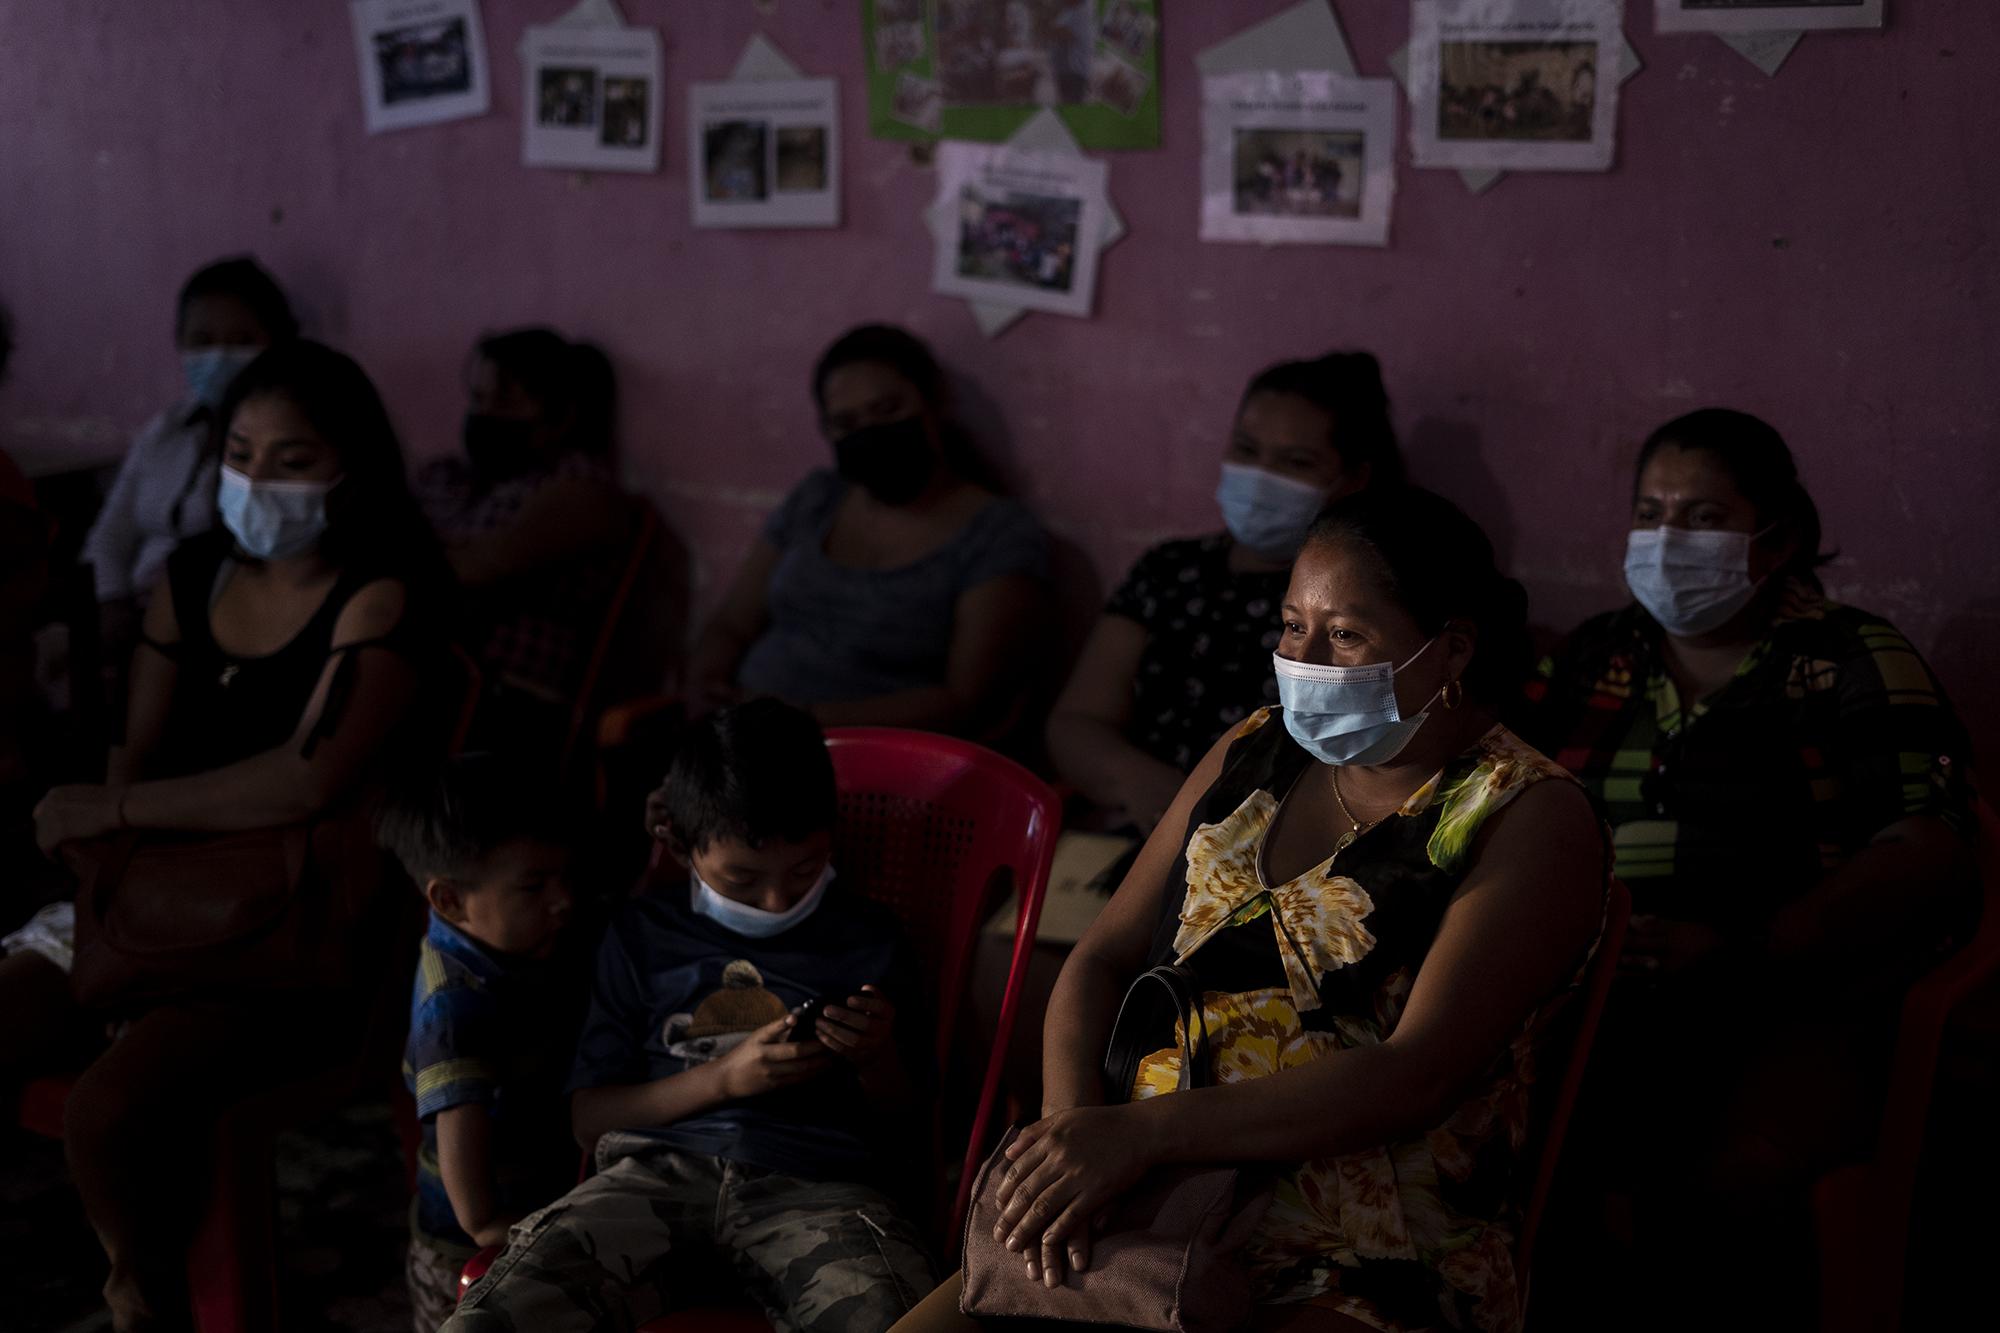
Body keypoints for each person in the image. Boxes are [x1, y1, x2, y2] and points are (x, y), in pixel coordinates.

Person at [892, 487, 1606, 1333]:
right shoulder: (1253, 749)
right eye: (1291, 624)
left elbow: (1416, 1074)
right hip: (1139, 1210)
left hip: (1351, 1245)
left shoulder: (1525, 814)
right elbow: (1101, 958)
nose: (1303, 657)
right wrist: (1073, 1134)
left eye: (1345, 635)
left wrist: (1145, 1136)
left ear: (1450, 651)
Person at [2, 339, 445, 1333]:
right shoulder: (192, 573)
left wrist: (113, 813)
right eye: (241, 454)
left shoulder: (380, 594)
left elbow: (306, 778)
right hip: (161, 890)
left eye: (291, 462)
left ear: (351, 468)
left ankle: (139, 1287)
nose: (256, 483)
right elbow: (137, 746)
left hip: (292, 927)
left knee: (104, 1112)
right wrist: (112, 897)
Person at [1524, 408, 1975, 1331]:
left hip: (1794, 993)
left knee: (1729, 1181)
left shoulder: (1853, 656)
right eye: (1650, 512)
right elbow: (1505, 805)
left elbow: (1927, 847)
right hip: (1599, 988)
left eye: (1702, 516)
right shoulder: (1593, 656)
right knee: (1505, 1147)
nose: (1667, 540)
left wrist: (1744, 947)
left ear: (1781, 537)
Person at [446, 699, 936, 1332]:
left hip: (819, 1188)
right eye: (741, 878)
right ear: (680, 846)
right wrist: (726, 1079)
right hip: (651, 1179)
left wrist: (875, 1058)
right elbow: (588, 1117)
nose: (777, 897)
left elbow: (914, 1120)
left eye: (805, 869)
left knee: (893, 1317)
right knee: (494, 1316)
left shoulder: (868, 937)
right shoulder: (643, 934)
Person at [1047, 352, 1402, 836]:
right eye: (1247, 450)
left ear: (1352, 479)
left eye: (1296, 462)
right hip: (1138, 834)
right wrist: (1146, 788)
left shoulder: (1358, 604)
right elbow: (1076, 722)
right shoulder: (1170, 572)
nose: (1261, 476)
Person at [688, 324, 1047, 735]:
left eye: (889, 409)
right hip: (741, 739)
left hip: (869, 762)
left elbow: (966, 700)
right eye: (846, 423)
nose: (871, 434)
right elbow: (734, 620)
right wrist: (706, 684)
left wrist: (804, 720)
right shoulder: (818, 498)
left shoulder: (997, 533)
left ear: (934, 404)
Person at [378, 753, 587, 1333]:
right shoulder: (455, 1013)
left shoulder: (497, 936)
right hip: (466, 1248)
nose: (563, 900)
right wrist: (556, 1236)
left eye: (565, 878)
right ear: (448, 900)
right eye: (534, 887)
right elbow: (476, 1212)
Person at [415, 326, 632, 754]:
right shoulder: (453, 477)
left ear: (562, 414)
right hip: (435, 672)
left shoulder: (579, 487)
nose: (486, 415)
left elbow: (472, 569)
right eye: (479, 399)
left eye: (507, 401)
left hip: (505, 700)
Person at [82, 257, 297, 643]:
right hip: (133, 617)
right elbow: (110, 535)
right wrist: (112, 602)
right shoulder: (166, 431)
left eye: (241, 341)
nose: (219, 356)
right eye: (202, 341)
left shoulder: (291, 442)